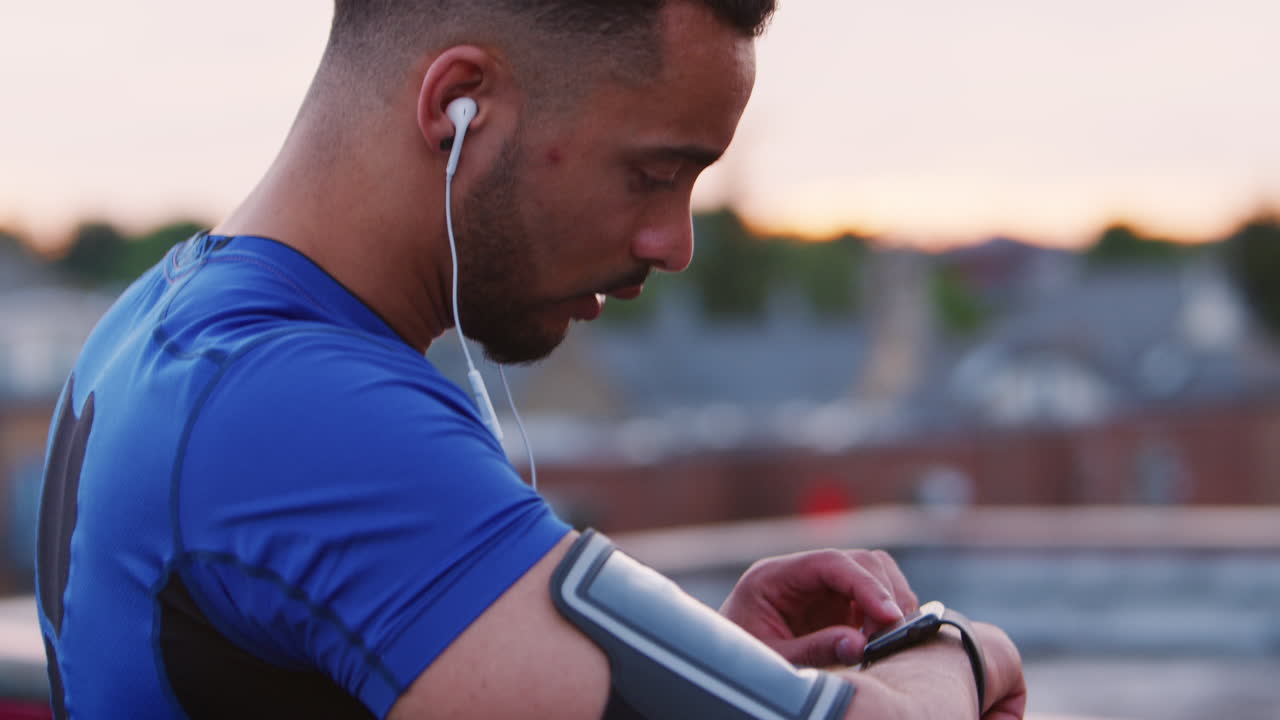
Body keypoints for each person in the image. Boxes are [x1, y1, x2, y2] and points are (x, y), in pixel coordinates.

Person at [34, 1, 1026, 718]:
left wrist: (688, 666)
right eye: (650, 172)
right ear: (458, 104)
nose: (672, 244)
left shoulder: (163, 322)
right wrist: (951, 651)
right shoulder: (297, 409)